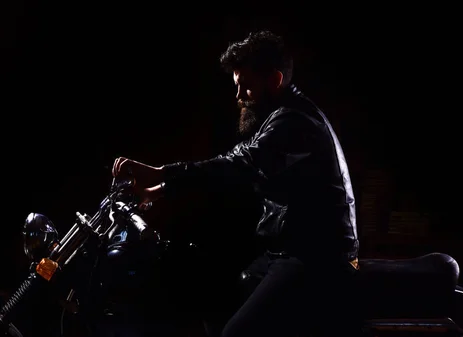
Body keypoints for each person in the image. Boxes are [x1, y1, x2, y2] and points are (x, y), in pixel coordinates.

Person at [112, 31, 360, 337]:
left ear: (274, 81)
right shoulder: (278, 118)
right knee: (209, 294)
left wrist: (162, 173)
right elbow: (237, 164)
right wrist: (160, 190)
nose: (238, 95)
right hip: (282, 252)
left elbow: (239, 166)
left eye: (246, 86)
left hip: (316, 259)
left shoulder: (296, 121)